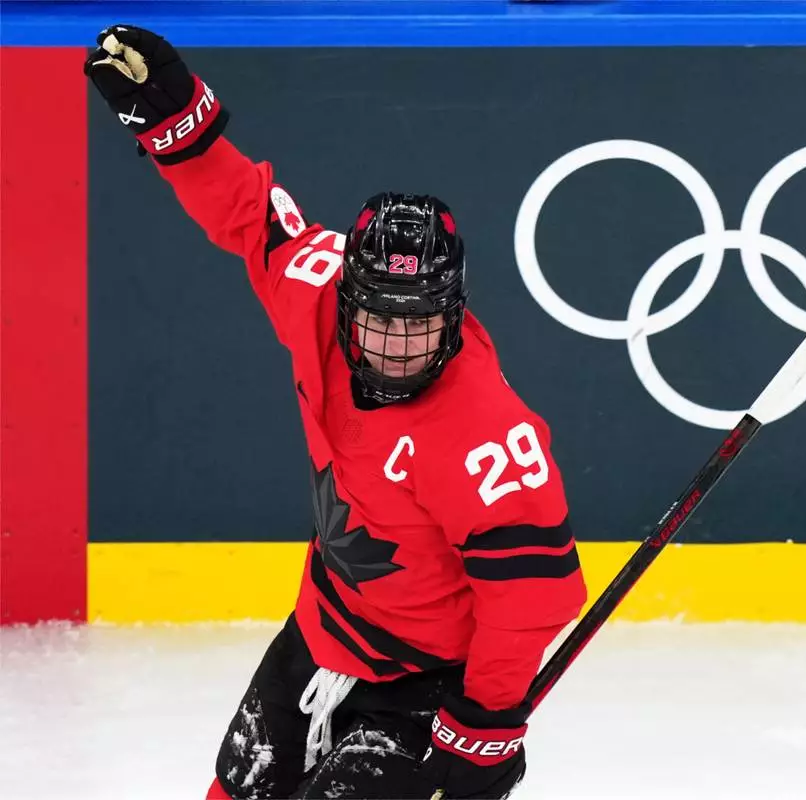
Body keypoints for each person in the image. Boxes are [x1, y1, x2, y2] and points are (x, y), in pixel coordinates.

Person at [84, 25, 588, 800]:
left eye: (419, 322)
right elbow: (251, 214)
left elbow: (536, 594)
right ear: (346, 299)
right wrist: (177, 127)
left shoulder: (486, 429)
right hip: (320, 630)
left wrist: (484, 721)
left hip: (427, 683)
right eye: (380, 319)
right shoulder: (314, 295)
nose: (397, 345)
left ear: (453, 315)